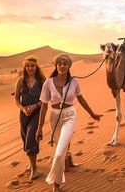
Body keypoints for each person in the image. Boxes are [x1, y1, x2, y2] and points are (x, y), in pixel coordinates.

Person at [36, 53, 102, 192]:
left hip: (70, 115)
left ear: (69, 66)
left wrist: (92, 114)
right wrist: (40, 127)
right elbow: (44, 105)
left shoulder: (74, 82)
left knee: (59, 152)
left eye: (65, 63)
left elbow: (81, 99)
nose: (62, 66)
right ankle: (68, 158)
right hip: (54, 117)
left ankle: (56, 184)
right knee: (62, 146)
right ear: (56, 66)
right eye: (59, 63)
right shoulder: (48, 83)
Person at [14, 56, 45, 180]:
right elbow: (16, 98)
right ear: (25, 67)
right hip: (23, 114)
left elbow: (45, 99)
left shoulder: (42, 80)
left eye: (32, 66)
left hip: (37, 113)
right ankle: (31, 162)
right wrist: (22, 108)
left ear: (36, 67)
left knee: (31, 138)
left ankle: (34, 169)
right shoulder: (20, 80)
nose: (30, 68)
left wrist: (35, 106)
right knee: (25, 139)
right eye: (28, 66)